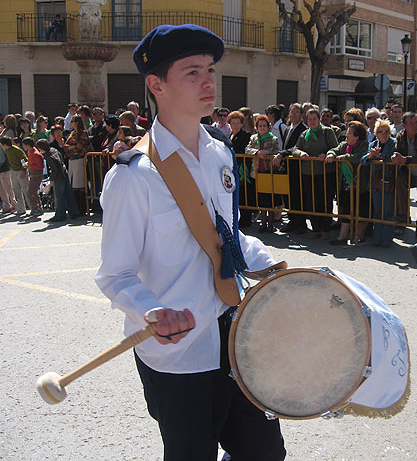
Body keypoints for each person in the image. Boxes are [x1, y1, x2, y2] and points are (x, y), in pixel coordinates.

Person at [94, 24, 286, 461]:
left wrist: (271, 264)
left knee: (265, 452)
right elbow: (114, 274)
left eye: (210, 70)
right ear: (156, 84)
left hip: (235, 334)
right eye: (192, 71)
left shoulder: (219, 152)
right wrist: (150, 310)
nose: (208, 82)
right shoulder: (132, 176)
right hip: (179, 353)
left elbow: (226, 234)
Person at [291, 108, 338, 239]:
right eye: (310, 119)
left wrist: (328, 153)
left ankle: (325, 229)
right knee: (311, 200)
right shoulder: (304, 134)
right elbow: (295, 148)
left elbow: (335, 147)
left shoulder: (327, 132)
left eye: (314, 119)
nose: (312, 121)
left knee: (325, 200)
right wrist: (300, 153)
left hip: (325, 172)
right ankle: (315, 228)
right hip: (308, 172)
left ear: (319, 119)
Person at [326, 120, 370, 244]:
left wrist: (346, 157)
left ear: (357, 136)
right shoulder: (344, 145)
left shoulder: (365, 145)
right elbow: (334, 150)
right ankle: (342, 237)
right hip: (346, 185)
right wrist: (330, 154)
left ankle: (359, 236)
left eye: (349, 133)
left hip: (360, 185)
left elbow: (360, 158)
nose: (346, 135)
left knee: (361, 212)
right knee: (346, 210)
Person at [392, 111, 417, 226]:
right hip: (407, 171)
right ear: (404, 125)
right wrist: (395, 156)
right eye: (410, 123)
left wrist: (404, 159)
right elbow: (397, 151)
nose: (414, 126)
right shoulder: (400, 135)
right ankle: (403, 218)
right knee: (400, 182)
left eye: (416, 122)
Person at [361, 119, 397, 247]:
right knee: (377, 212)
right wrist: (371, 156)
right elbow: (363, 160)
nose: (383, 134)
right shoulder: (373, 144)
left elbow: (391, 159)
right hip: (376, 183)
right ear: (376, 133)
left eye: (386, 131)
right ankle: (377, 239)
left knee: (387, 212)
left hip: (388, 182)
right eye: (380, 132)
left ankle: (386, 240)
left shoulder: (393, 143)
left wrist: (380, 157)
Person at [273, 103, 307, 234]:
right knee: (288, 196)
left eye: (296, 112)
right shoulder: (288, 128)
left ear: (302, 115)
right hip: (286, 166)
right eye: (292, 112)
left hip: (297, 167)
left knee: (297, 196)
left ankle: (300, 223)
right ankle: (293, 222)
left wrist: (282, 154)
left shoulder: (303, 129)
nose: (293, 115)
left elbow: (296, 147)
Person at [245, 115, 280, 233]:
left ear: (268, 127)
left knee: (269, 199)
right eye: (260, 126)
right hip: (257, 172)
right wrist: (257, 152)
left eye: (264, 125)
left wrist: (268, 152)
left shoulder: (273, 139)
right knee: (260, 199)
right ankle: (263, 222)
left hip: (268, 172)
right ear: (256, 127)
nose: (262, 128)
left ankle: (270, 223)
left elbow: (277, 152)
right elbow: (247, 149)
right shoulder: (254, 138)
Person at [36, 139, 79, 222]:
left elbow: (54, 169)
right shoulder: (53, 150)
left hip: (58, 176)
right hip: (64, 172)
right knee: (68, 193)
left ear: (41, 149)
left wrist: (52, 178)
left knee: (60, 196)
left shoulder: (48, 155)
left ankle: (60, 215)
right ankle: (73, 212)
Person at [64, 114, 90, 216]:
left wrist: (71, 148)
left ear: (77, 122)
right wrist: (70, 148)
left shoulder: (83, 133)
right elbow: (65, 145)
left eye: (72, 121)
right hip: (72, 160)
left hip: (79, 159)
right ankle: (74, 208)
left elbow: (80, 145)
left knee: (79, 183)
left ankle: (81, 208)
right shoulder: (72, 133)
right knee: (72, 183)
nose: (71, 123)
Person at [1, 137, 29, 215]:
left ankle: (33, 208)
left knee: (25, 190)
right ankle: (21, 208)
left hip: (20, 171)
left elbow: (24, 160)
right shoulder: (6, 151)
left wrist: (23, 170)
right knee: (17, 191)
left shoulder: (17, 150)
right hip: (13, 171)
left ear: (5, 144)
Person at [22, 137, 45, 216]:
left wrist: (30, 167)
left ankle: (36, 209)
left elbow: (40, 166)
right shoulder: (30, 152)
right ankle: (38, 208)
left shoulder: (36, 154)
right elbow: (31, 162)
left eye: (24, 145)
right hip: (32, 174)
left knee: (31, 192)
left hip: (37, 175)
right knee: (33, 192)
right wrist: (28, 164)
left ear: (28, 145)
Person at [0, 139, 18, 213]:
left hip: (3, 168)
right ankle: (6, 206)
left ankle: (15, 205)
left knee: (8, 187)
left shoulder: (1, 144)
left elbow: (2, 158)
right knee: (1, 189)